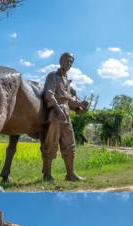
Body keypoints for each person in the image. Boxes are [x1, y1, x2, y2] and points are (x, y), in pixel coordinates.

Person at [42, 52, 89, 182]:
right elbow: (48, 95)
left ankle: (70, 174)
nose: (69, 64)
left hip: (66, 115)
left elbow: (71, 103)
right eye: (67, 61)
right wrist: (58, 109)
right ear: (61, 61)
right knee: (51, 144)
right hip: (56, 115)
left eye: (71, 62)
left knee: (70, 145)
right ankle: (47, 174)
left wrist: (81, 106)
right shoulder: (53, 76)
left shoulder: (67, 82)